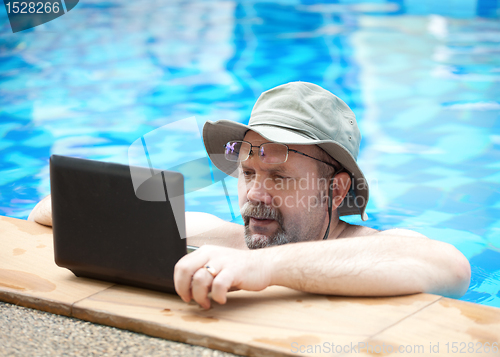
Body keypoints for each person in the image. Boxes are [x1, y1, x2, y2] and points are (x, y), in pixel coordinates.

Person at [29, 82, 471, 310]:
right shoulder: (227, 241)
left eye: (279, 177)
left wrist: (260, 267)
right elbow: (50, 211)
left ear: (335, 190)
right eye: (247, 172)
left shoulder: (370, 249)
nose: (255, 195)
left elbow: (453, 267)